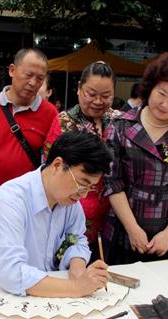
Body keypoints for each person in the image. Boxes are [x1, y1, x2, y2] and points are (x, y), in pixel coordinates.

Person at [0, 131, 112, 297]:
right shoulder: (11, 200)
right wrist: (76, 288)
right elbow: (11, 273)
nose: (84, 195)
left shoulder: (69, 201)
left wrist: (77, 267)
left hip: (45, 287)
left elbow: (74, 238)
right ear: (57, 165)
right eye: (82, 184)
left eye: (91, 187)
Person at [102, 52, 168, 264]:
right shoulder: (120, 126)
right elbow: (112, 183)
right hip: (124, 226)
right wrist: (132, 228)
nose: (166, 104)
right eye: (162, 94)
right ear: (150, 87)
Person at [0, 48, 58, 255]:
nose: (33, 83)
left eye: (40, 78)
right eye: (28, 75)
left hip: (28, 208)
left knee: (24, 261)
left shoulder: (50, 113)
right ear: (12, 70)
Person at [43, 61, 120, 262]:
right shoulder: (64, 122)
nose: (98, 101)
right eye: (91, 94)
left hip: (112, 211)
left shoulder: (119, 122)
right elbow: (49, 169)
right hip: (71, 208)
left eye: (105, 96)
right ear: (79, 89)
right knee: (71, 263)